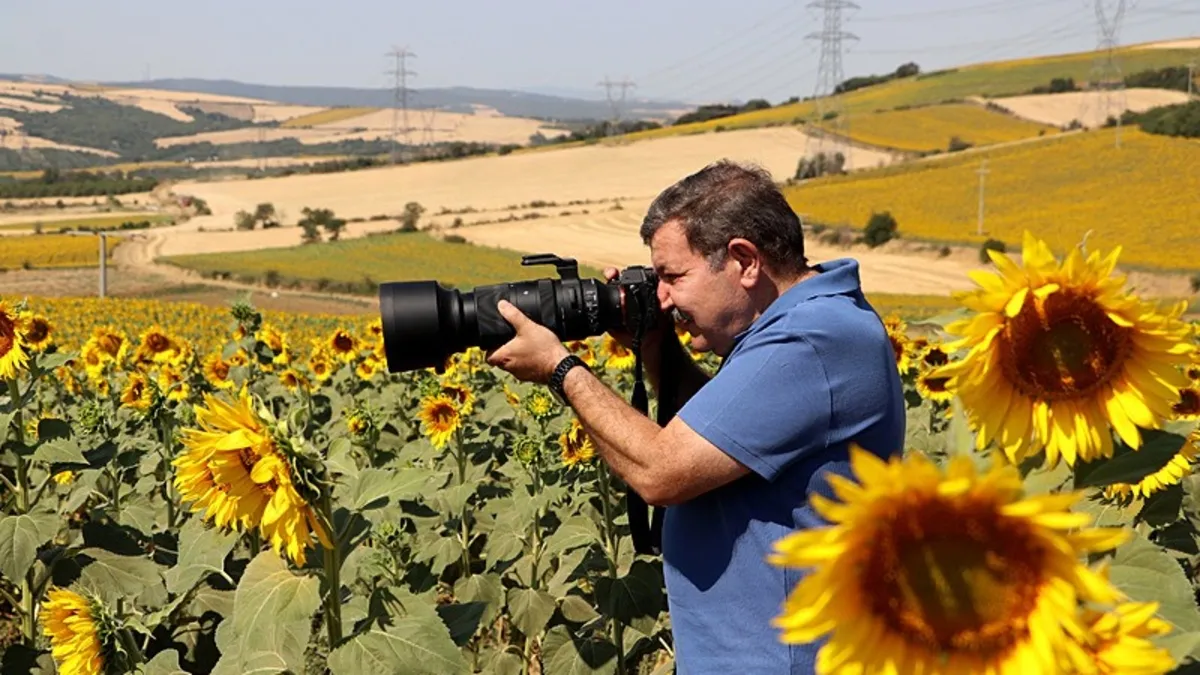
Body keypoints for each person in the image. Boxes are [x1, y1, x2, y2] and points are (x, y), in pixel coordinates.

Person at [485, 159, 905, 674]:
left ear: (744, 261)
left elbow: (663, 472)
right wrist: (657, 346)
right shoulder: (807, 323)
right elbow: (725, 441)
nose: (662, 298)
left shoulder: (811, 341)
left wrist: (561, 368)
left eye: (673, 277)